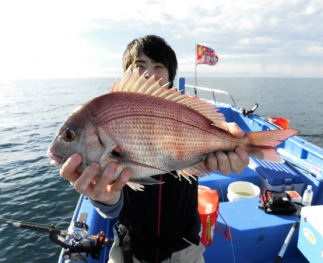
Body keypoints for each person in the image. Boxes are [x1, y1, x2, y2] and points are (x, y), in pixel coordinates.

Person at [60, 35, 249, 263]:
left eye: (158, 66)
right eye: (139, 66)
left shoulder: (183, 112)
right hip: (128, 252)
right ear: (126, 75)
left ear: (170, 77)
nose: (149, 73)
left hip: (185, 251)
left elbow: (214, 134)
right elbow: (112, 207)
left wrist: (228, 142)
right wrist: (105, 201)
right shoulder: (107, 115)